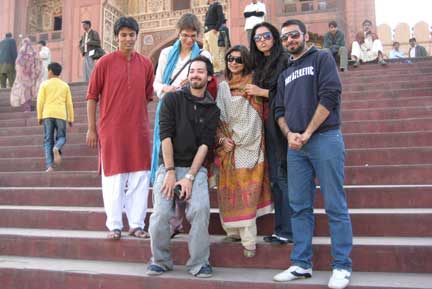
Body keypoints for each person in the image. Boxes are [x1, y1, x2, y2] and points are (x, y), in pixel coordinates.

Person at [272, 19, 353, 289]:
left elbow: (330, 95)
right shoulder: (285, 73)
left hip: (325, 139)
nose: (289, 41)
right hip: (296, 146)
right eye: (284, 38)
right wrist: (290, 135)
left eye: (294, 35)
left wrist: (307, 132)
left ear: (305, 35)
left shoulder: (321, 58)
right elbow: (279, 112)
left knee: (335, 204)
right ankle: (301, 263)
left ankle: (341, 265)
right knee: (299, 207)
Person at [147, 56, 220, 278]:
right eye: (192, 70)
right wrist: (170, 172)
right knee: (160, 213)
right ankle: (160, 260)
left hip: (195, 168)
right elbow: (165, 137)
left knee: (199, 209)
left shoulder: (212, 109)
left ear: (209, 77)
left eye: (200, 71)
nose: (195, 74)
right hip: (167, 165)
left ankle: (199, 263)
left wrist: (189, 176)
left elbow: (206, 145)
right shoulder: (171, 100)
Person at [86, 16, 154, 240]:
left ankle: (136, 224)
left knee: (140, 177)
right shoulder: (104, 63)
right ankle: (114, 225)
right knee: (113, 179)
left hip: (138, 130)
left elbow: (147, 96)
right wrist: (91, 128)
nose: (127, 38)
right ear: (116, 37)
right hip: (111, 130)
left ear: (136, 36)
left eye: (131, 34)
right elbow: (91, 96)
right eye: (123, 35)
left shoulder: (145, 64)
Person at [152, 13, 212, 238]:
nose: (188, 40)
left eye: (192, 36)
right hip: (170, 109)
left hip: (194, 113)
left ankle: (181, 216)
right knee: (168, 159)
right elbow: (157, 83)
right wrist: (168, 89)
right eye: (184, 35)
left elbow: (208, 82)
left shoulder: (203, 55)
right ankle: (172, 218)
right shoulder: (167, 53)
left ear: (198, 35)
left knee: (187, 160)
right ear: (178, 34)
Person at [215, 45, 272, 258]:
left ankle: (249, 240)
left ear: (245, 61)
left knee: (246, 190)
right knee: (227, 189)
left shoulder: (252, 84)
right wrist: (222, 140)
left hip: (249, 144)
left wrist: (239, 140)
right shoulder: (223, 87)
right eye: (230, 58)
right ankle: (233, 231)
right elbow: (218, 117)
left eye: (239, 59)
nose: (234, 63)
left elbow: (254, 118)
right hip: (227, 146)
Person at [248, 22, 293, 245]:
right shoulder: (261, 64)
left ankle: (287, 231)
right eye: (257, 38)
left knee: (280, 178)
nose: (262, 40)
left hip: (280, 127)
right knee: (276, 178)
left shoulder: (284, 60)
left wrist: (261, 91)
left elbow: (289, 93)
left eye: (266, 36)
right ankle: (283, 228)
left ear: (274, 37)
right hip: (265, 127)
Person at [37, 62, 74, 172]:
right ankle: (57, 147)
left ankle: (49, 166)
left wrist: (39, 116)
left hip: (48, 114)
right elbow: (69, 103)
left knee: (48, 140)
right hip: (61, 115)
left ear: (50, 71)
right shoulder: (65, 85)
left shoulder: (44, 84)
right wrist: (71, 118)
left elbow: (40, 102)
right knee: (61, 137)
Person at [10, 37, 43, 112]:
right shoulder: (34, 52)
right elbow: (38, 63)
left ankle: (27, 108)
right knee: (29, 92)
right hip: (31, 77)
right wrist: (36, 73)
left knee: (24, 92)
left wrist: (19, 74)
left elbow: (18, 64)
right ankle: (28, 107)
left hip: (23, 77)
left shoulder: (22, 51)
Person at [204, 0, 224, 74]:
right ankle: (207, 68)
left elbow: (221, 17)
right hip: (206, 31)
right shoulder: (210, 7)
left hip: (212, 30)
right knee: (206, 52)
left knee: (214, 50)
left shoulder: (217, 5)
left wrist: (216, 28)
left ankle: (217, 69)